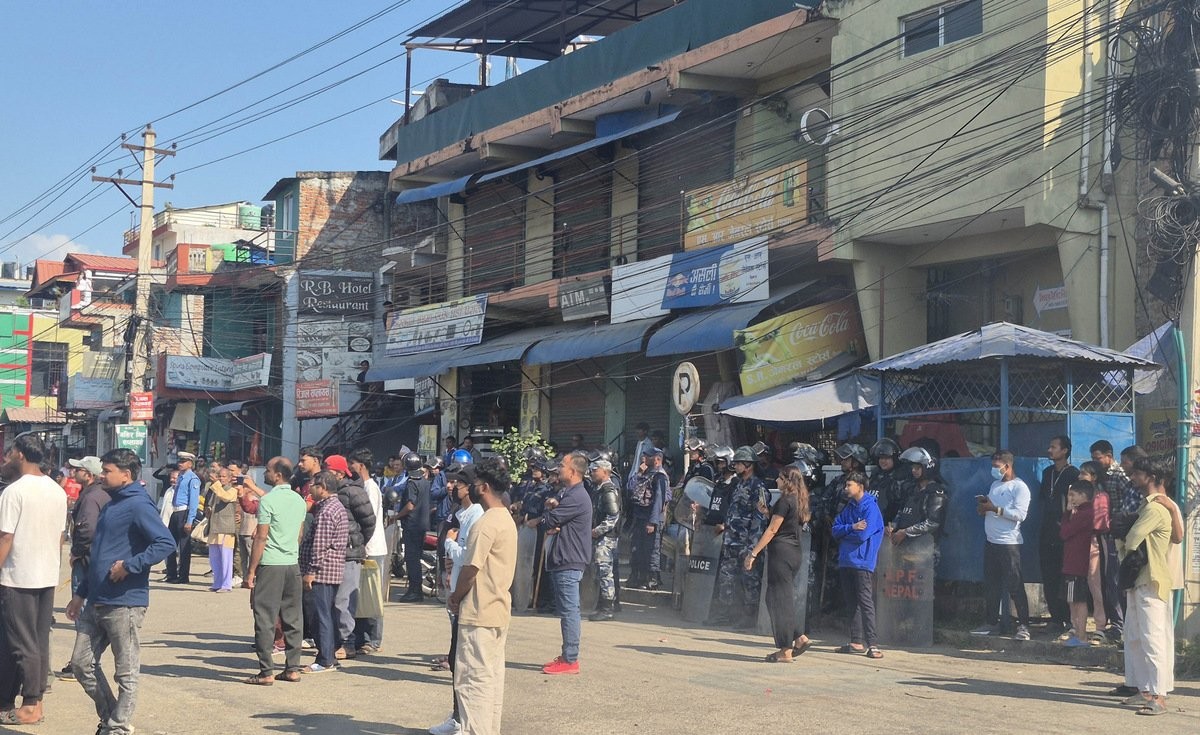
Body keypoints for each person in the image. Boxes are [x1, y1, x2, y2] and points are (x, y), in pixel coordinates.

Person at [65, 449, 174, 734]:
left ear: (126, 475)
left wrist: (130, 565)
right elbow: (99, 553)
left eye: (107, 471)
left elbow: (165, 543)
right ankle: (111, 716)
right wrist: (81, 593)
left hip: (124, 602)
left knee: (125, 672)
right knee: (81, 664)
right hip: (96, 599)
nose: (102, 476)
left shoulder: (139, 505)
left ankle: (117, 727)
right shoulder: (111, 503)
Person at [0, 434, 68, 725]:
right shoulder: (56, 490)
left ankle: (31, 704)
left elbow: (5, 537)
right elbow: (60, 536)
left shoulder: (14, 491)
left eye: (8, 454)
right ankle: (23, 700)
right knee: (34, 642)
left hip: (17, 577)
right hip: (45, 575)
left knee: (21, 643)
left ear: (19, 454)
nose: (5, 459)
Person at [448, 458, 516, 735]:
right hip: (498, 610)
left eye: (473, 484)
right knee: (490, 681)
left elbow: (470, 569)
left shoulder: (485, 523)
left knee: (472, 682)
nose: (469, 488)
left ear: (484, 487)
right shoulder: (506, 519)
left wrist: (455, 596)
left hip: (478, 612)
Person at [429, 465, 485, 735]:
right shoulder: (460, 512)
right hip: (455, 590)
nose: (451, 487)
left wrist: (450, 543)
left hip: (466, 596)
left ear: (471, 488)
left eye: (457, 484)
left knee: (463, 662)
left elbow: (467, 556)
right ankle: (456, 716)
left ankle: (464, 721)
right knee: (455, 659)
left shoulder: (477, 515)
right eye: (450, 482)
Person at [243, 457, 307, 685]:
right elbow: (299, 534)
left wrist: (251, 571)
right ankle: (292, 668)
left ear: (278, 475)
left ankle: (266, 672)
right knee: (293, 618)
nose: (265, 474)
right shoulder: (299, 500)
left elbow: (261, 537)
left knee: (265, 618)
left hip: (271, 564)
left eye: (268, 470)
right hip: (292, 564)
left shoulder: (268, 501)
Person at [1118, 461, 1174, 715]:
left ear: (1151, 476)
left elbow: (1131, 539)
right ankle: (1145, 690)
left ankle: (1159, 697)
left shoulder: (1155, 508)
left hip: (1151, 579)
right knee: (1136, 638)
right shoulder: (1145, 505)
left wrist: (1123, 530)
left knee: (1153, 639)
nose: (1132, 477)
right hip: (1137, 579)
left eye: (1137, 474)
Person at [745, 465, 813, 663]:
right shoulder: (799, 500)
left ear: (787, 481)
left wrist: (753, 553)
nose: (776, 481)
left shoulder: (785, 500)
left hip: (781, 554)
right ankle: (798, 636)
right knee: (777, 598)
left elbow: (773, 530)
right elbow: (785, 524)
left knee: (780, 601)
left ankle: (785, 649)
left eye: (780, 478)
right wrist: (767, 513)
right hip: (793, 553)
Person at [539, 452, 593, 675]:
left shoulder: (577, 496)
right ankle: (567, 656)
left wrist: (550, 510)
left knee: (570, 611)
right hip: (564, 557)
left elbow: (549, 521)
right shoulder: (568, 493)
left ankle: (570, 659)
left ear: (572, 471)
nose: (558, 469)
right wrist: (554, 507)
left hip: (569, 559)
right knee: (566, 610)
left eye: (562, 466)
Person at [971, 450, 1032, 641]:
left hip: (1009, 544)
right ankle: (991, 623)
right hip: (991, 542)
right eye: (993, 466)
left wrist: (994, 509)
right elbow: (991, 508)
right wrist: (984, 508)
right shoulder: (995, 485)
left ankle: (1023, 625)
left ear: (1007, 466)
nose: (994, 470)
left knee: (1015, 585)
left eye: (997, 467)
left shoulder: (1020, 487)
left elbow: (1020, 515)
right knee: (991, 585)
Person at [59, 456, 110, 681]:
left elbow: (87, 529)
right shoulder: (100, 493)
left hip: (87, 559)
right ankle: (84, 661)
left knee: (81, 611)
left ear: (88, 474)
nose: (73, 472)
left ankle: (81, 662)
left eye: (78, 469)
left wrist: (77, 552)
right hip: (97, 558)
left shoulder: (91, 497)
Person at [324, 454, 376, 660]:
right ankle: (334, 640)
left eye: (328, 469)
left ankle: (348, 642)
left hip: (349, 554)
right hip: (332, 554)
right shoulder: (330, 492)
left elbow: (369, 522)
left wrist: (356, 543)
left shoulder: (353, 492)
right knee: (331, 601)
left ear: (338, 473)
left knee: (344, 600)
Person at [299, 470, 349, 674]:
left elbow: (320, 545)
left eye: (313, 485)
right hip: (329, 570)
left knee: (320, 616)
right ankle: (329, 655)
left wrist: (311, 571)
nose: (310, 489)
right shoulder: (333, 506)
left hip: (322, 571)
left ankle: (325, 659)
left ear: (323, 488)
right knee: (326, 614)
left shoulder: (328, 511)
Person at [716, 447, 770, 629]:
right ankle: (724, 613)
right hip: (731, 540)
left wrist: (753, 548)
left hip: (747, 542)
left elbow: (759, 519)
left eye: (739, 463)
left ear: (749, 465)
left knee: (750, 580)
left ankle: (749, 616)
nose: (736, 466)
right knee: (726, 577)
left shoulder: (758, 487)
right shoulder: (738, 484)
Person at [832, 471, 884, 659]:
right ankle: (856, 641)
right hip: (846, 560)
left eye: (849, 485)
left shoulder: (871, 508)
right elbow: (835, 530)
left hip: (863, 562)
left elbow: (863, 536)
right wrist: (851, 527)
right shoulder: (849, 507)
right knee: (851, 602)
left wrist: (845, 534)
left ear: (860, 487)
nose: (846, 488)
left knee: (865, 601)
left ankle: (873, 644)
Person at [1091, 439, 1136, 640]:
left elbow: (1129, 504)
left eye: (1098, 458)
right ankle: (1116, 624)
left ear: (1109, 456)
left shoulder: (1120, 476)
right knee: (1108, 580)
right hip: (1107, 534)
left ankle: (1121, 625)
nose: (1096, 461)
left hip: (1120, 534)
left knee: (1116, 579)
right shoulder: (1101, 475)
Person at [1038, 435, 1078, 637]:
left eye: (1053, 447)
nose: (1049, 450)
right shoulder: (1047, 473)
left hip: (1065, 531)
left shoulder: (1073, 474)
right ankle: (1055, 618)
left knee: (1066, 577)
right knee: (1049, 576)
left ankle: (1070, 618)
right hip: (1047, 531)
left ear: (1064, 450)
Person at [348, 449, 387, 655]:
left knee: (372, 595)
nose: (350, 467)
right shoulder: (360, 487)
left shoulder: (371, 488)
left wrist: (362, 546)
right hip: (364, 547)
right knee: (361, 594)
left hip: (372, 548)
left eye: (352, 463)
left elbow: (368, 520)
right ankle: (362, 637)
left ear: (361, 465)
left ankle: (373, 639)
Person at [1058, 480, 1097, 648]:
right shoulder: (1081, 512)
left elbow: (1065, 532)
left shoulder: (1085, 513)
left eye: (1073, 495)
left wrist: (1067, 513)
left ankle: (1081, 636)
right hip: (1072, 562)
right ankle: (1078, 632)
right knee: (1072, 600)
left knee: (1077, 601)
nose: (1071, 498)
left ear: (1083, 495)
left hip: (1076, 564)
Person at [888, 447, 947, 548]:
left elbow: (933, 523)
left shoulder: (936, 492)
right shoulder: (911, 489)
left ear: (928, 468)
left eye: (917, 468)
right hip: (904, 545)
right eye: (913, 468)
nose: (913, 471)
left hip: (924, 548)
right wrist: (893, 526)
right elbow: (901, 512)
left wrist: (906, 532)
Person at [626, 447, 666, 590]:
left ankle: (653, 580)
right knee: (637, 549)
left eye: (648, 456)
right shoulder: (644, 474)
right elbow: (630, 489)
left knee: (652, 550)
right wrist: (638, 473)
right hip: (639, 518)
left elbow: (659, 500)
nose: (644, 458)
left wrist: (653, 522)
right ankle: (638, 577)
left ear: (657, 459)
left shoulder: (660, 476)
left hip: (651, 519)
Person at [587, 455, 621, 622]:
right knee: (601, 572)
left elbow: (613, 516)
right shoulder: (599, 489)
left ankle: (607, 609)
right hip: (601, 538)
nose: (592, 472)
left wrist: (596, 531)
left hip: (606, 539)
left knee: (605, 572)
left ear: (605, 472)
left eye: (595, 470)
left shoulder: (608, 490)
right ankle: (602, 605)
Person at [396, 451, 431, 603]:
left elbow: (410, 505)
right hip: (422, 524)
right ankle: (416, 589)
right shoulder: (425, 481)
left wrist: (396, 516)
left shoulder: (412, 483)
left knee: (412, 559)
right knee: (416, 556)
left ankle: (415, 591)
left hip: (412, 524)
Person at [165, 451, 201, 584]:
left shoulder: (193, 479)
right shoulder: (180, 476)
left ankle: (183, 576)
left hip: (184, 512)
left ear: (190, 464)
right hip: (175, 512)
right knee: (170, 544)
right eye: (179, 461)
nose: (180, 464)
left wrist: (190, 520)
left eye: (183, 462)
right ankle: (171, 574)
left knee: (184, 547)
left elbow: (194, 501)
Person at [205, 465, 238, 593]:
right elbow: (211, 504)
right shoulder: (216, 490)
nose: (221, 478)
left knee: (226, 558)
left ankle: (226, 584)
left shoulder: (232, 490)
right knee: (214, 558)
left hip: (226, 529)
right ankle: (217, 582)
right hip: (214, 527)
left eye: (224, 476)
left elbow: (225, 497)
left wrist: (216, 484)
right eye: (219, 476)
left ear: (229, 478)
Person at [869, 438, 905, 523]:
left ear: (894, 458)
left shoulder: (900, 479)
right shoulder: (875, 476)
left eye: (887, 458)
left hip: (887, 526)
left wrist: (894, 524)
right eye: (881, 458)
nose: (883, 461)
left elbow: (902, 507)